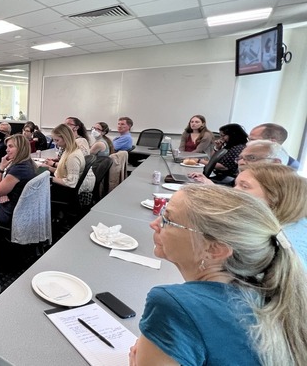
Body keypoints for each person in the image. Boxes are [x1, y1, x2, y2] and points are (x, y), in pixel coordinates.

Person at [131, 185, 307, 366]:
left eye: (167, 220)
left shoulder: (174, 305)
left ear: (215, 249)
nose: (154, 224)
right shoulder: (273, 295)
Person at [234, 163, 307, 265]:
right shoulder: (296, 221)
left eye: (244, 186)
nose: (233, 191)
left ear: (275, 196)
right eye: (236, 184)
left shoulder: (281, 245)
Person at [0, 134, 37, 226]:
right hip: (19, 207)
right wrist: (4, 193)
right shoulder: (29, 163)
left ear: (21, 148)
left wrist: (1, 168)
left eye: (11, 146)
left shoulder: (18, 169)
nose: (7, 150)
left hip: (8, 212)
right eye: (7, 147)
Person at [189, 139, 285, 184]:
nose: (241, 163)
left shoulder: (275, 190)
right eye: (240, 158)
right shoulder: (246, 177)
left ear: (275, 163)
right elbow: (231, 190)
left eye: (251, 158)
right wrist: (209, 182)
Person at [43, 124, 95, 202]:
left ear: (66, 138)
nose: (56, 143)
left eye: (57, 140)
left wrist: (50, 179)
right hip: (67, 187)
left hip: (68, 192)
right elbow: (65, 171)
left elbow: (71, 182)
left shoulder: (73, 156)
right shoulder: (68, 150)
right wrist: (49, 168)